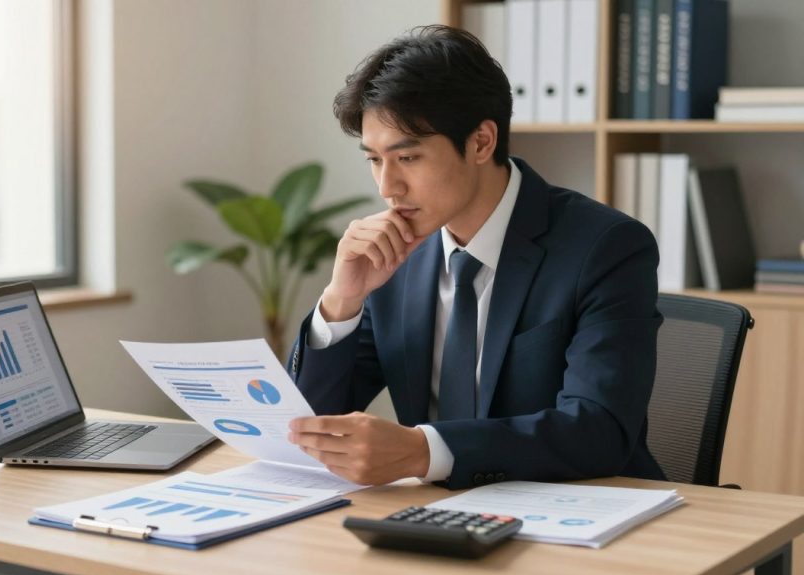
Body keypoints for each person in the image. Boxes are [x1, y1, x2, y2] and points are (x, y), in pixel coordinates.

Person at [285, 25, 665, 489]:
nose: (387, 188)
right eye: (374, 160)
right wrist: (341, 301)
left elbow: (598, 431)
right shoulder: (392, 257)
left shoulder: (606, 247)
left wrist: (425, 452)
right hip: (431, 519)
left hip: (578, 515)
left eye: (407, 158)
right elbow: (308, 428)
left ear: (482, 142)